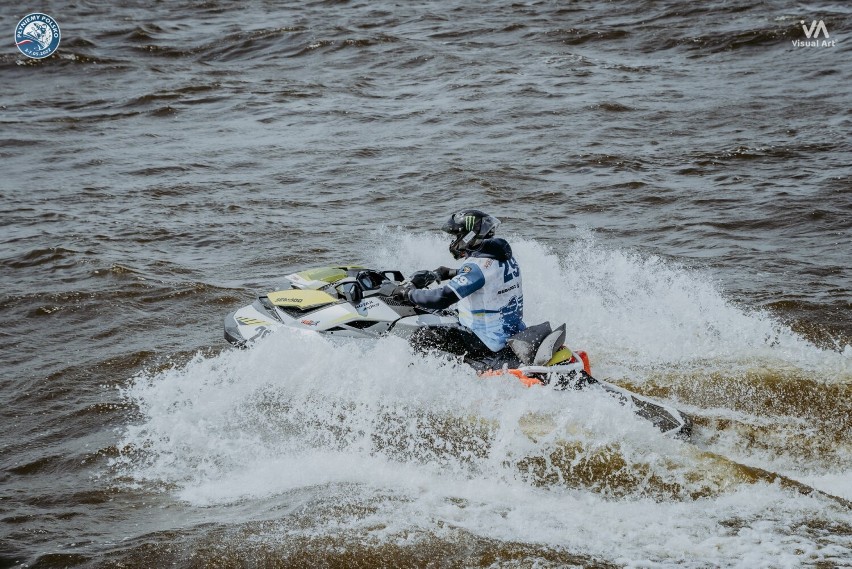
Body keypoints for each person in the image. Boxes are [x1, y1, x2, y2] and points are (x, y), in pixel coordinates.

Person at [392, 209, 526, 370]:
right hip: (507, 332)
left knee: (422, 336)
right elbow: (489, 278)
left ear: (469, 236)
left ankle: (426, 382)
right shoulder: (504, 256)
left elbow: (441, 299)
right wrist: (451, 273)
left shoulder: (477, 266)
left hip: (487, 341)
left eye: (456, 236)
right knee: (451, 314)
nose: (454, 241)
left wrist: (409, 293)